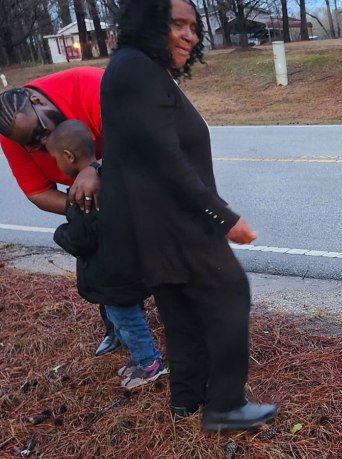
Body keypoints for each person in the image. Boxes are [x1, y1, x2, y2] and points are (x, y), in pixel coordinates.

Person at [99, 0, 277, 430]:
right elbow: (166, 159)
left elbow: (136, 151)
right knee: (231, 294)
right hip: (178, 224)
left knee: (179, 313)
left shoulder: (135, 70)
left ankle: (186, 401)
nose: (189, 35)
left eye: (193, 27)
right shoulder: (138, 71)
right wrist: (224, 217)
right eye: (176, 24)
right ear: (148, 22)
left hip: (155, 228)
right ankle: (225, 405)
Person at [0, 68, 122, 357]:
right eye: (32, 145)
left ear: (37, 100)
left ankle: (179, 310)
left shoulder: (90, 86)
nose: (43, 146)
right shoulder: (13, 131)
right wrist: (85, 205)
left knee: (158, 244)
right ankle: (117, 325)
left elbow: (141, 138)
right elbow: (37, 192)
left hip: (140, 167)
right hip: (92, 196)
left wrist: (96, 169)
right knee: (100, 258)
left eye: (42, 133)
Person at [47, 120, 167, 390]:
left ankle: (149, 364)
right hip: (130, 268)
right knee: (124, 317)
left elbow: (81, 240)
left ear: (69, 156)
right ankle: (139, 359)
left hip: (112, 276)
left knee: (126, 321)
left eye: (56, 160)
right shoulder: (111, 177)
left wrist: (60, 233)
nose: (57, 167)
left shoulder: (82, 194)